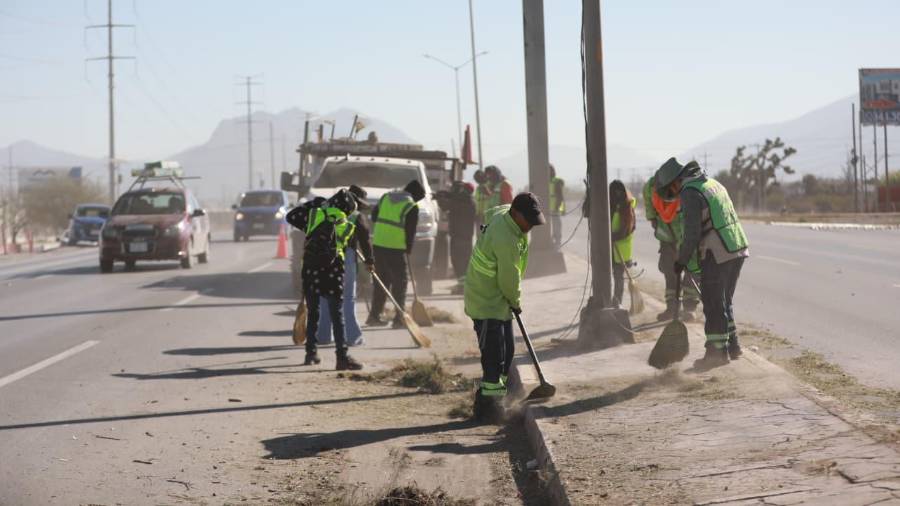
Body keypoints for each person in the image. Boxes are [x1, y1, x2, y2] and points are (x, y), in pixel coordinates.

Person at [655, 158, 749, 370]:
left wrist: (681, 260)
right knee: (724, 300)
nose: (674, 196)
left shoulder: (689, 192)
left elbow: (691, 234)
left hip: (718, 252)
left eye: (671, 191)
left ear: (674, 182)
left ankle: (716, 353)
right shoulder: (711, 183)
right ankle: (733, 347)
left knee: (713, 303)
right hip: (737, 248)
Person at [464, 192, 546, 422]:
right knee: (494, 357)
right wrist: (516, 301)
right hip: (485, 300)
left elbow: (494, 210)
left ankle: (491, 396)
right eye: (528, 219)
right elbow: (509, 278)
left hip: (497, 299)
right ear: (516, 213)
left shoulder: (506, 216)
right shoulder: (506, 239)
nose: (531, 225)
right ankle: (488, 408)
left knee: (507, 350)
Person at [285, 189, 364, 370]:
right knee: (337, 315)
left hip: (311, 269)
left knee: (313, 312)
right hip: (333, 270)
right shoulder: (346, 224)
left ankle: (310, 353)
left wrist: (314, 203)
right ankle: (342, 357)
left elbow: (291, 216)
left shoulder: (314, 216)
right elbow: (346, 244)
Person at [316, 185, 375, 346]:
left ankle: (323, 336)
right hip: (345, 258)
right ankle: (352, 337)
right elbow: (365, 241)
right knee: (347, 299)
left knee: (326, 298)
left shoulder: (326, 212)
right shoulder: (356, 216)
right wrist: (369, 261)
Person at [366, 180, 425, 328]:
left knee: (381, 281)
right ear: (415, 195)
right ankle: (399, 319)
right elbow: (410, 231)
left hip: (379, 244)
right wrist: (409, 249)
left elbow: (373, 217)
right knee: (401, 282)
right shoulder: (411, 206)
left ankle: (374, 316)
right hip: (395, 247)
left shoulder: (386, 197)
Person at [642, 173, 701, 321]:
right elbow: (650, 213)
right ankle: (672, 308)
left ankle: (689, 308)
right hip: (667, 237)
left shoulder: (685, 189)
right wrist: (654, 221)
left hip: (686, 236)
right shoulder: (650, 187)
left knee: (691, 269)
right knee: (670, 271)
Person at [435, 180, 477, 294]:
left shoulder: (462, 202)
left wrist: (440, 197)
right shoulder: (470, 201)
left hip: (458, 238)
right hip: (466, 238)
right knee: (464, 263)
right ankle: (464, 287)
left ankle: (464, 287)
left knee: (459, 263)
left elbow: (445, 205)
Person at [609, 180, 636, 308]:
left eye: (620, 192)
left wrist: (614, 236)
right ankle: (607, 301)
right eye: (614, 192)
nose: (617, 194)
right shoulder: (607, 205)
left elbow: (630, 228)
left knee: (618, 277)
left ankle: (617, 302)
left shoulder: (627, 206)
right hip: (608, 248)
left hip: (621, 249)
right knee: (607, 277)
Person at [549, 164, 566, 249]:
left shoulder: (556, 182)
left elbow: (560, 196)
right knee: (552, 226)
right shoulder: (545, 181)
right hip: (548, 210)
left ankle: (557, 243)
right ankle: (553, 242)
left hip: (555, 209)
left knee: (556, 226)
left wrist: (561, 208)